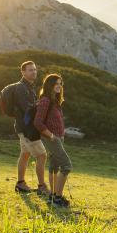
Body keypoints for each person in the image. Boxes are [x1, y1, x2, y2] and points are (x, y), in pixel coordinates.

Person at [34, 73, 73, 208]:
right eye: (56, 84)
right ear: (49, 85)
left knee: (54, 166)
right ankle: (57, 198)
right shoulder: (45, 100)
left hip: (58, 138)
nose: (59, 86)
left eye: (60, 84)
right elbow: (38, 122)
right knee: (66, 166)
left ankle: (53, 196)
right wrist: (51, 136)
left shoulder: (55, 100)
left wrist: (60, 135)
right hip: (52, 138)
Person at [13, 61, 49, 195]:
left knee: (25, 154)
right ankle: (41, 186)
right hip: (27, 129)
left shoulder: (29, 87)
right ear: (23, 72)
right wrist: (40, 105)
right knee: (42, 155)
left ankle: (20, 184)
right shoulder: (21, 88)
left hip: (24, 128)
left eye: (34, 69)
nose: (34, 72)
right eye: (30, 70)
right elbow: (26, 108)